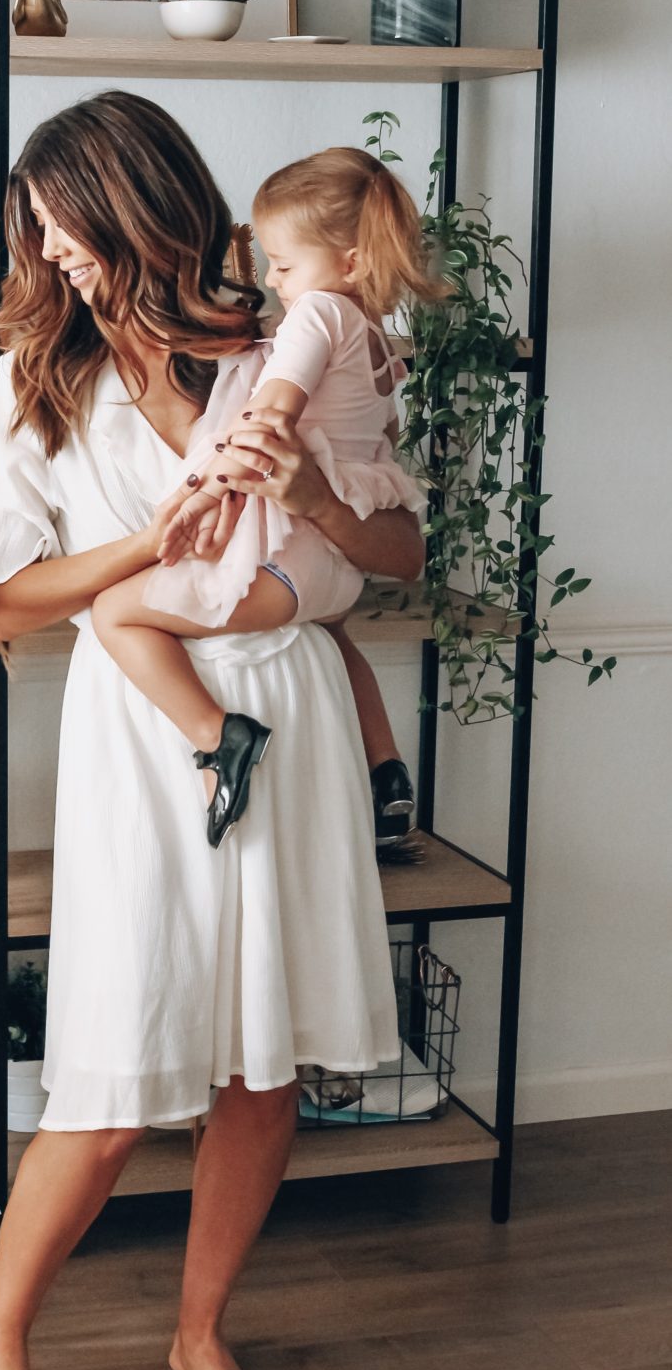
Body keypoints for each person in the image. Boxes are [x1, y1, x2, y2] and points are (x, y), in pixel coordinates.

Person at [0, 92, 422, 1370]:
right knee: (107, 1077)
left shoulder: (287, 328)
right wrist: (138, 557)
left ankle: (199, 1326)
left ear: (137, 199)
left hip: (293, 711)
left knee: (261, 1071)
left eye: (65, 224)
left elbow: (395, 559)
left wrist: (317, 511)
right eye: (36, 233)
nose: (55, 254)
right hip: (143, 737)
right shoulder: (46, 377)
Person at [92, 145, 441, 850]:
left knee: (114, 614)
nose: (274, 283)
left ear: (347, 264)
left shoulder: (317, 316)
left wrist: (200, 495)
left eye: (283, 265)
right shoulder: (377, 341)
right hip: (336, 577)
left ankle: (219, 740)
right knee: (339, 640)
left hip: (294, 559)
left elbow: (266, 422)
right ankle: (386, 769)